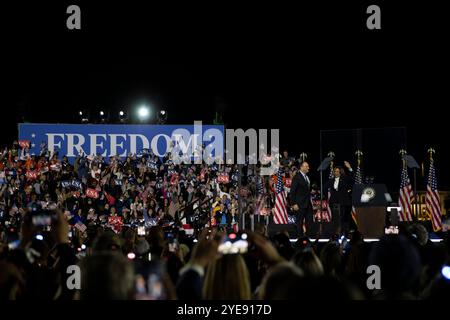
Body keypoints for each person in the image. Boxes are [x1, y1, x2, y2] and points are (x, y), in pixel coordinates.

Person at [323, 164, 353, 236]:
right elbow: (324, 188)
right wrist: (326, 196)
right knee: (335, 218)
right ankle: (335, 233)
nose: (336, 173)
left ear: (340, 172)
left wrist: (349, 168)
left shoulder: (344, 179)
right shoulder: (331, 180)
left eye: (337, 171)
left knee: (342, 218)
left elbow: (352, 178)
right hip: (333, 202)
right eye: (334, 171)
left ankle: (343, 233)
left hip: (343, 202)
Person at [289, 161, 313, 237]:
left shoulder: (307, 177)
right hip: (299, 205)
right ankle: (300, 240)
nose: (308, 168)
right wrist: (293, 204)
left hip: (308, 204)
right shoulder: (297, 177)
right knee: (299, 222)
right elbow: (292, 192)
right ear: (301, 167)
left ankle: (308, 238)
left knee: (309, 222)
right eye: (306, 166)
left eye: (308, 166)